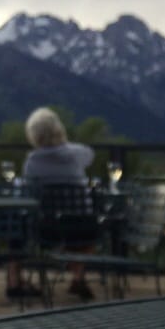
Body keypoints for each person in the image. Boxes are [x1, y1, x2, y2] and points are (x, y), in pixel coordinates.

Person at [22, 107, 96, 300]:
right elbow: (90, 155)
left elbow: (28, 190)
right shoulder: (76, 154)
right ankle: (78, 276)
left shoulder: (32, 161)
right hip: (82, 227)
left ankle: (71, 273)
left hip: (48, 229)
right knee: (86, 233)